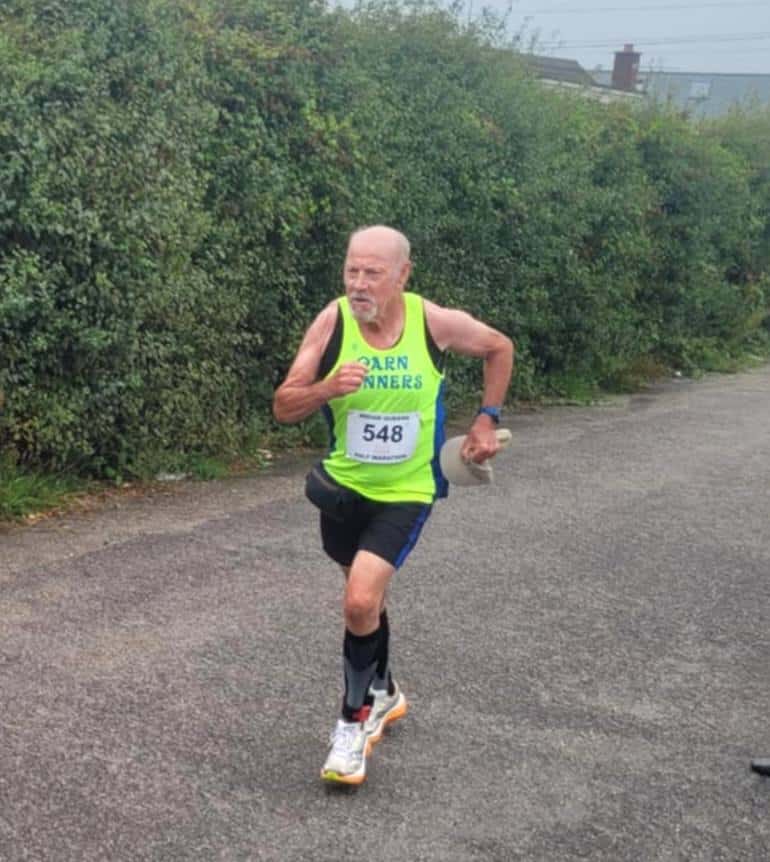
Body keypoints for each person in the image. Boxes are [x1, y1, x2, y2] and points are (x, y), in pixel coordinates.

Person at [273, 225, 514, 785]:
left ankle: (352, 726)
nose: (359, 284)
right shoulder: (332, 322)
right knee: (367, 605)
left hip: (407, 492)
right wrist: (327, 388)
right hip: (342, 491)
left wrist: (486, 418)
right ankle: (382, 689)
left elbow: (499, 347)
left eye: (373, 273)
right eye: (351, 271)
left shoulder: (433, 323)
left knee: (359, 601)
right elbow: (284, 406)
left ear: (403, 275)